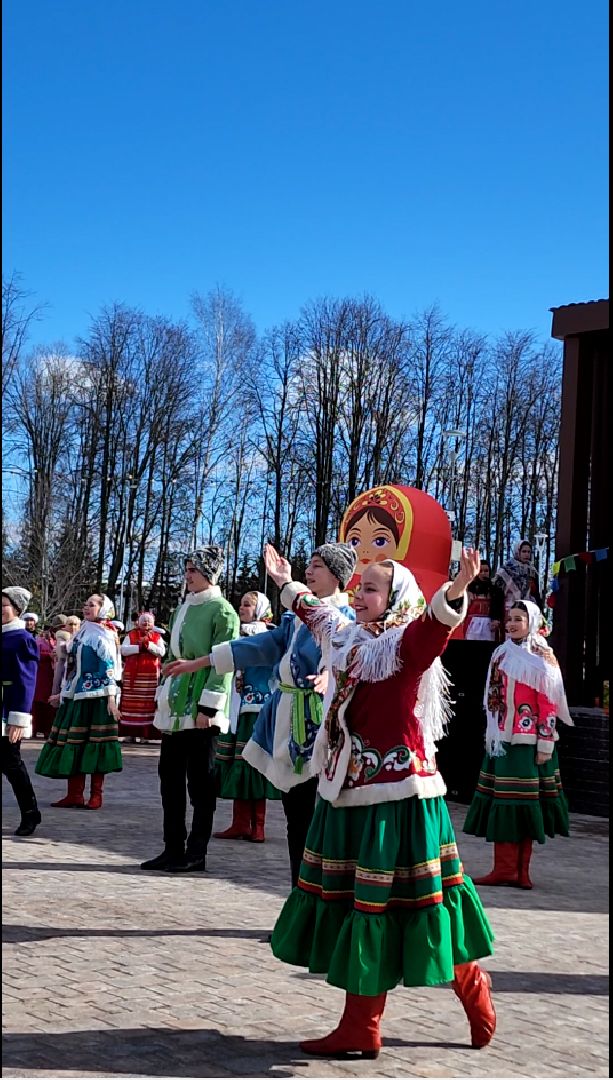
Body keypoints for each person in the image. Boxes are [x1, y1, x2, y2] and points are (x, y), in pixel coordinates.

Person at [263, 543, 495, 1057]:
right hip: (348, 790)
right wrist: (283, 581)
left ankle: (472, 986)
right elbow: (313, 610)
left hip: (399, 800)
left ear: (395, 599)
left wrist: (457, 587)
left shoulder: (403, 645)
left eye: (371, 589)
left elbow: (434, 628)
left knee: (416, 906)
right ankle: (361, 1026)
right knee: (358, 905)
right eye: (359, 587)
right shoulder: (348, 638)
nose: (358, 595)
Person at [164, 543, 356, 890]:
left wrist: (331, 675)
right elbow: (260, 647)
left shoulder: (345, 618)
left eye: (317, 565)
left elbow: (343, 651)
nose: (308, 571)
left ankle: (323, 897)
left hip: (320, 725)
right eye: (309, 565)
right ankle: (300, 899)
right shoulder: (294, 619)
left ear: (337, 575)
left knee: (319, 816)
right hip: (291, 724)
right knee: (297, 816)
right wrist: (202, 662)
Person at [140, 546, 239, 874]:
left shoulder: (223, 611)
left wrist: (208, 707)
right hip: (176, 704)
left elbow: (224, 662)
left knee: (200, 783)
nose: (188, 575)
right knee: (169, 778)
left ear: (209, 573)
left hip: (200, 708)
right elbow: (172, 655)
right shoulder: (183, 607)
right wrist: (164, 694)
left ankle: (196, 852)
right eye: (187, 569)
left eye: (194, 570)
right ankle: (172, 847)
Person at [463, 600, 571, 889]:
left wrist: (545, 741)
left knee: (523, 805)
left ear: (532, 622)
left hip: (528, 742)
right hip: (502, 740)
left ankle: (521, 871)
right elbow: (492, 696)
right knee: (504, 804)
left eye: (518, 619)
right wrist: (492, 732)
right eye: (509, 618)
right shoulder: (500, 653)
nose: (511, 624)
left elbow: (548, 700)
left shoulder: (542, 656)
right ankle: (505, 869)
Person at [35, 594, 122, 809]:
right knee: (74, 744)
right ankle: (74, 794)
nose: (86, 607)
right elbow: (74, 668)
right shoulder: (83, 632)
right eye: (85, 604)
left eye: (92, 605)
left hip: (97, 698)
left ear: (103, 609)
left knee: (95, 744)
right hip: (76, 696)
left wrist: (111, 698)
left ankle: (96, 795)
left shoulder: (104, 635)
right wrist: (63, 693)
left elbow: (110, 668)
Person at [213, 590, 280, 843]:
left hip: (258, 708)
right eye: (241, 604)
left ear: (260, 610)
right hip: (238, 707)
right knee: (238, 762)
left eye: (247, 605)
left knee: (254, 764)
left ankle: (258, 825)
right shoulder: (238, 635)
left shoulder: (268, 637)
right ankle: (240, 823)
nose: (242, 608)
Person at [2, 586, 42, 836]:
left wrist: (18, 718)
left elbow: (26, 680)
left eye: (3, 606)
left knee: (11, 763)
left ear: (16, 609)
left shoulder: (22, 639)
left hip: (8, 708)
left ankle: (30, 812)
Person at [119, 613, 166, 740]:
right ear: (138, 623)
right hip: (132, 676)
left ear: (153, 623)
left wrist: (149, 645)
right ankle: (130, 734)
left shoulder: (157, 636)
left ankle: (145, 734)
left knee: (148, 703)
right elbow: (123, 650)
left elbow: (161, 652)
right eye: (144, 621)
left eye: (149, 621)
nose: (146, 623)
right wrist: (139, 647)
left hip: (150, 676)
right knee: (130, 703)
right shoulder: (131, 635)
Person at [492, 541, 542, 615]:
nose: (527, 554)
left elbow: (536, 594)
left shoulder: (532, 571)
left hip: (527, 610)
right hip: (509, 610)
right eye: (524, 551)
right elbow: (497, 595)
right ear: (517, 552)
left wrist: (540, 612)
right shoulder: (506, 570)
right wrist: (496, 616)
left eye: (529, 552)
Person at [464, 560, 505, 642]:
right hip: (472, 624)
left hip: (489, 624)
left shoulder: (495, 590)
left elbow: (499, 607)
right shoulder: (469, 589)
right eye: (480, 571)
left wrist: (496, 619)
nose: (483, 573)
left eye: (486, 571)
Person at [31, 627, 56, 738]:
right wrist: (47, 656)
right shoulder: (38, 641)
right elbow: (34, 655)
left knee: (49, 704)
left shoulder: (56, 640)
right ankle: (35, 729)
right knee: (38, 703)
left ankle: (47, 729)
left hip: (52, 676)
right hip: (40, 675)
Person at [50, 616, 81, 700]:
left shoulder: (82, 636)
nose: (73, 627)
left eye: (75, 624)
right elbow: (62, 655)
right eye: (70, 624)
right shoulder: (62, 636)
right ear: (66, 626)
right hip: (64, 668)